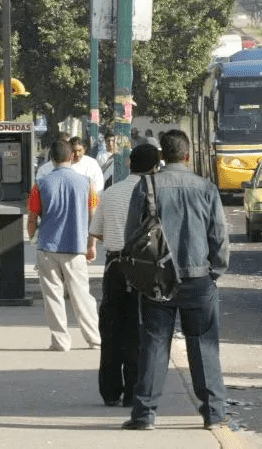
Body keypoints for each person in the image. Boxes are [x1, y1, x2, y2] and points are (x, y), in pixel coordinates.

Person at [123, 128, 231, 432]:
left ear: (162, 157)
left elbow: (132, 235)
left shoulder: (147, 186)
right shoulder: (206, 188)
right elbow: (219, 237)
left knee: (155, 345)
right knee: (204, 345)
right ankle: (214, 414)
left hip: (158, 279)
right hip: (198, 278)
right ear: (187, 155)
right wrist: (214, 272)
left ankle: (144, 414)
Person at [90, 143, 161, 408]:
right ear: (156, 166)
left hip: (115, 267)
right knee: (139, 330)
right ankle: (134, 391)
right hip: (146, 267)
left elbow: (96, 231)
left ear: (130, 163)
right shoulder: (157, 193)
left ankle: (110, 391)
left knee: (111, 328)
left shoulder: (111, 192)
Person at [27, 139, 102, 351]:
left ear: (52, 159)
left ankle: (60, 341)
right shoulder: (88, 184)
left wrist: (34, 239)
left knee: (53, 296)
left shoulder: (40, 184)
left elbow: (32, 218)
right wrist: (92, 245)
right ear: (71, 157)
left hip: (48, 247)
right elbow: (93, 217)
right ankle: (94, 339)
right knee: (82, 297)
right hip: (76, 248)